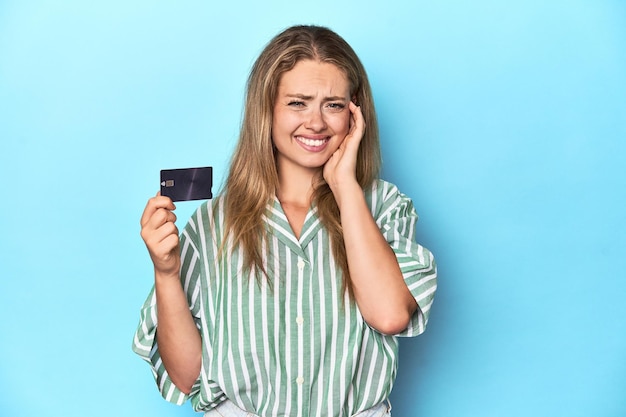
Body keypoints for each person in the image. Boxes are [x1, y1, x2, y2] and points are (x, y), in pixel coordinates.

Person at [133, 24, 437, 417]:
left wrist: (344, 185)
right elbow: (187, 376)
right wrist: (166, 272)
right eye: (298, 103)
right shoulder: (215, 223)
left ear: (355, 112)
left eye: (333, 104)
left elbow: (390, 316)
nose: (316, 122)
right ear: (267, 109)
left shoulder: (385, 206)